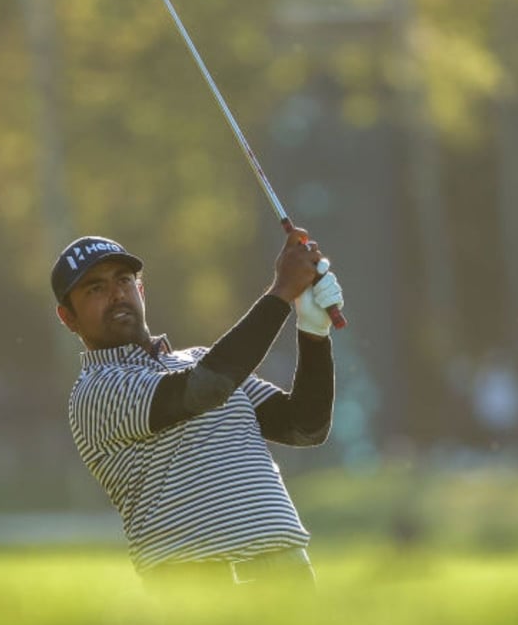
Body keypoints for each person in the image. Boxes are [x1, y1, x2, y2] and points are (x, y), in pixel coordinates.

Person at [51, 230, 343, 589]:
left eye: (123, 280)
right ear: (68, 317)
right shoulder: (95, 390)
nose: (116, 295)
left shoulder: (199, 360)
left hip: (288, 570)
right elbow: (205, 389)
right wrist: (282, 290)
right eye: (95, 288)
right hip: (197, 581)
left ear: (141, 290)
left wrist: (313, 333)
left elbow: (305, 426)